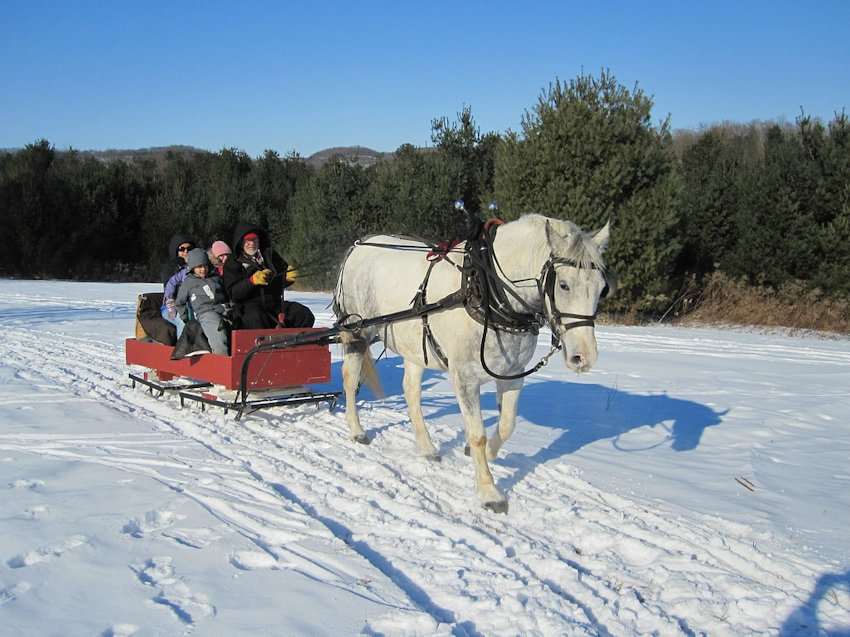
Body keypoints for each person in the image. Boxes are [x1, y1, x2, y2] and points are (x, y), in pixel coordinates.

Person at [223, 222, 314, 330]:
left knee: (303, 313)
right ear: (240, 241)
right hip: (248, 307)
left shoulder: (270, 255)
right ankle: (264, 345)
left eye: (254, 239)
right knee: (256, 318)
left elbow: (281, 279)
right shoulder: (233, 262)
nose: (252, 243)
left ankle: (295, 343)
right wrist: (252, 281)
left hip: (274, 305)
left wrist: (287, 279)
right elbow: (233, 292)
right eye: (248, 240)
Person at [174, 248, 230, 355]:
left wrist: (230, 305)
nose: (203, 269)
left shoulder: (215, 277)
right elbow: (179, 302)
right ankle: (221, 361)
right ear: (193, 267)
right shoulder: (189, 282)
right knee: (218, 335)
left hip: (223, 308)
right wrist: (185, 318)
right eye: (199, 267)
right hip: (206, 312)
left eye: (205, 266)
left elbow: (225, 294)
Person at [160, 233, 196, 335]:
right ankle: (182, 349)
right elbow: (170, 287)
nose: (186, 252)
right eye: (182, 249)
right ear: (176, 250)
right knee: (183, 321)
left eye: (190, 248)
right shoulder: (170, 268)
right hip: (172, 307)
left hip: (195, 305)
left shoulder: (199, 266)